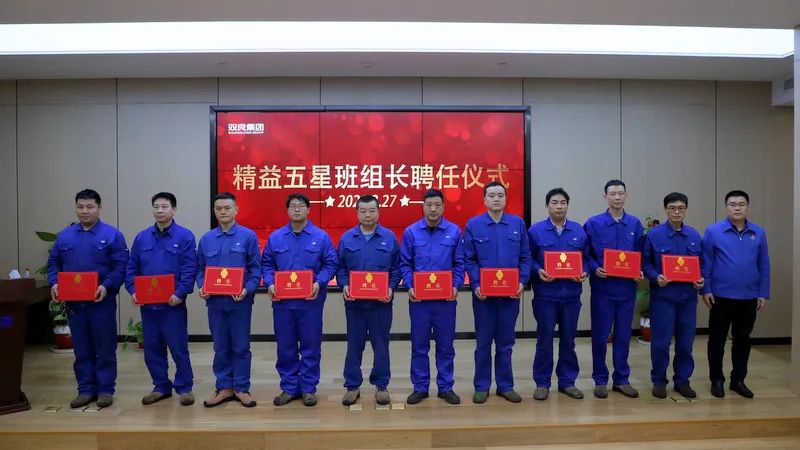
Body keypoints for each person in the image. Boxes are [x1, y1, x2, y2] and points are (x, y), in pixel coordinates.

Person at [48, 189, 128, 409]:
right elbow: (54, 263)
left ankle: (105, 390)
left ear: (99, 208)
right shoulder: (65, 236)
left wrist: (106, 285)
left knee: (105, 348)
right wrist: (54, 283)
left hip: (101, 302)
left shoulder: (112, 235)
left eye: (90, 207)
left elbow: (120, 266)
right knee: (81, 349)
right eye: (80, 207)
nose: (85, 211)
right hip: (74, 304)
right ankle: (85, 389)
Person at [262, 193, 337, 407]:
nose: (297, 209)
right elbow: (267, 264)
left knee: (310, 346)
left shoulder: (321, 237)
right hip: (283, 304)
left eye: (301, 205)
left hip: (310, 302)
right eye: (293, 206)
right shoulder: (276, 238)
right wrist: (270, 283)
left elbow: (331, 264)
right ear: (287, 210)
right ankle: (289, 387)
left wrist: (319, 282)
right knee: (285, 347)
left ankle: (308, 388)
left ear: (308, 210)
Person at [462, 181, 532, 404]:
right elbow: (469, 259)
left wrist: (522, 282)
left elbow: (525, 257)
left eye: (500, 195)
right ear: (484, 200)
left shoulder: (517, 224)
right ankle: (481, 386)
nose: (496, 199)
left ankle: (505, 386)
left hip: (510, 297)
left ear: (506, 198)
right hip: (484, 297)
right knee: (483, 344)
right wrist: (476, 284)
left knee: (505, 343)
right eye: (491, 195)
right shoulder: (474, 225)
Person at [125, 192, 197, 406]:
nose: (159, 210)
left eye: (164, 206)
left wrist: (180, 293)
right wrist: (133, 291)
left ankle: (185, 388)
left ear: (174, 210)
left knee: (178, 348)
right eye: (156, 206)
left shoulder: (184, 236)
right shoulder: (142, 238)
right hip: (148, 306)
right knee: (152, 349)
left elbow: (189, 269)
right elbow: (132, 268)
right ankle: (161, 386)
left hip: (173, 305)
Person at [702, 190, 770, 399]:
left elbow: (763, 264)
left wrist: (763, 292)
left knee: (743, 340)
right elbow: (706, 263)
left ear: (747, 207)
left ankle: (738, 380)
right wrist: (706, 289)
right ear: (726, 207)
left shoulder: (758, 232)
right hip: (720, 296)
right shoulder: (713, 231)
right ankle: (716, 379)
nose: (737, 208)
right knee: (717, 340)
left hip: (749, 296)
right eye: (732, 204)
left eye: (741, 204)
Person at [399, 189, 465, 405]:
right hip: (420, 302)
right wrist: (410, 286)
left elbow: (459, 264)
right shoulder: (411, 232)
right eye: (429, 205)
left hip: (445, 301)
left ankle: (446, 387)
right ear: (423, 207)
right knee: (419, 346)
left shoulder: (454, 232)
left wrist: (455, 286)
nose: (433, 209)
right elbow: (405, 264)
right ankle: (420, 387)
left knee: (446, 346)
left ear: (443, 207)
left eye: (437, 205)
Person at [196, 192, 261, 408]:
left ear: (236, 210)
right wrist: (202, 286)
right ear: (214, 211)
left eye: (227, 208)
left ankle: (241, 387)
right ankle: (224, 387)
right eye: (219, 208)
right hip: (215, 303)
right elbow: (200, 269)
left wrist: (247, 289)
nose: (223, 212)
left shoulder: (248, 236)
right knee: (220, 347)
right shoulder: (206, 239)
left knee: (241, 347)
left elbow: (255, 269)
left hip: (239, 302)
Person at [337, 195, 401, 406]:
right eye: (363, 211)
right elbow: (340, 268)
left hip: (380, 305)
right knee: (354, 345)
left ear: (378, 212)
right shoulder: (347, 238)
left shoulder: (389, 237)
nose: (367, 215)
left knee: (381, 345)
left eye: (372, 210)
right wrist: (344, 285)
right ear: (357, 213)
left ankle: (381, 386)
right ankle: (352, 386)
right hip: (354, 304)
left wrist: (391, 287)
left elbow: (396, 268)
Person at [584, 179, 644, 399]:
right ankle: (600, 380)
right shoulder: (593, 223)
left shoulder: (635, 224)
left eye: (621, 193)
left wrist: (639, 270)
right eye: (613, 194)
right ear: (605, 197)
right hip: (603, 290)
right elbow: (585, 254)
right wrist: (594, 267)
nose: (617, 197)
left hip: (627, 291)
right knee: (600, 337)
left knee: (623, 336)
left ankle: (622, 379)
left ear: (626, 196)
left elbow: (640, 254)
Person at [642, 192, 704, 399]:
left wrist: (701, 279)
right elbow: (645, 263)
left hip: (688, 298)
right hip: (664, 298)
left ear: (686, 210)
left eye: (680, 208)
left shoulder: (694, 235)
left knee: (686, 343)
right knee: (661, 343)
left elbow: (702, 264)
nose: (676, 212)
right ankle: (659, 380)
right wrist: (655, 276)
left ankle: (682, 381)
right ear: (665, 209)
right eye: (672, 208)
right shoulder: (654, 235)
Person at [528, 188, 588, 401]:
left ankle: (567, 382)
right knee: (544, 340)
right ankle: (542, 383)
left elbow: (587, 259)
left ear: (567, 205)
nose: (559, 206)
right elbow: (528, 259)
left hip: (571, 296)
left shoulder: (578, 230)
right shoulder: (536, 231)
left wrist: (585, 272)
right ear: (547, 206)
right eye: (554, 202)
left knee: (569, 340)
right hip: (545, 296)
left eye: (563, 202)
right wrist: (538, 270)